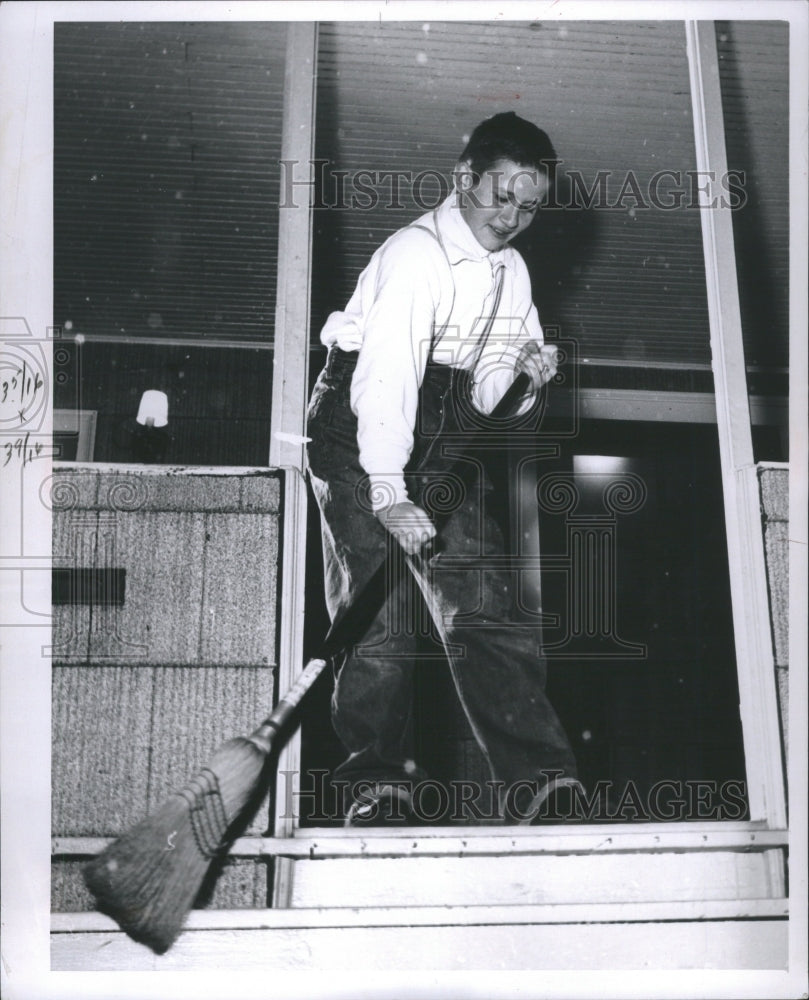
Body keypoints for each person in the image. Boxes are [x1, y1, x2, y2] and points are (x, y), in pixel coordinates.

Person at [306, 112, 581, 826]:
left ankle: (539, 784)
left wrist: (525, 377)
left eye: (529, 204)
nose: (514, 216)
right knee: (379, 615)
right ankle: (376, 784)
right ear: (464, 179)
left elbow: (489, 400)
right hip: (359, 420)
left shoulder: (508, 270)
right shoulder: (414, 256)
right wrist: (388, 493)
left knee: (485, 603)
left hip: (443, 427)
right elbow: (386, 379)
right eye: (503, 195)